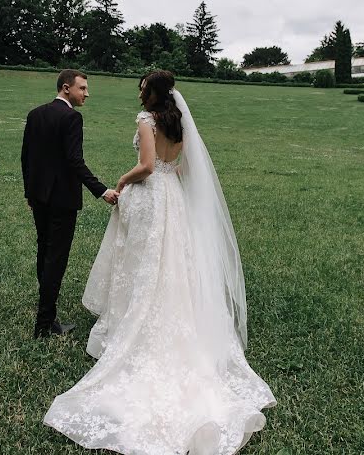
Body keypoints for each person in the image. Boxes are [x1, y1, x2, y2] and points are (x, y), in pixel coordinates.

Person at [44, 70, 275, 454]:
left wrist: (122, 178)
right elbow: (180, 167)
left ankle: (135, 319)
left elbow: (148, 165)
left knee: (144, 260)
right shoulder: (179, 123)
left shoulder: (147, 120)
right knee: (170, 262)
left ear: (152, 92)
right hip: (174, 197)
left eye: (141, 87)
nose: (138, 92)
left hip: (151, 194)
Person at [21, 69, 118, 339]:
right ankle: (44, 324)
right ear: (66, 88)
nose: (87, 94)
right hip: (62, 200)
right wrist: (101, 191)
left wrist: (30, 192)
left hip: (39, 197)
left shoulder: (35, 114)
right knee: (56, 259)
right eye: (82, 88)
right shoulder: (72, 117)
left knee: (44, 250)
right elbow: (75, 161)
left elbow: (26, 157)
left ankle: (46, 310)